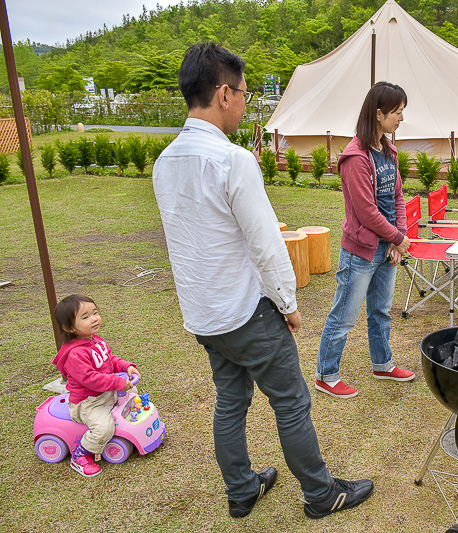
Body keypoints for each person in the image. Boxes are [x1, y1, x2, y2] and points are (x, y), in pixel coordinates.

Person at [152, 42, 373, 519]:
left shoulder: (165, 160)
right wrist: (288, 303)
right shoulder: (232, 159)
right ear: (225, 94)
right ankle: (320, 493)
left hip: (204, 314)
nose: (247, 104)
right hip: (245, 310)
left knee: (230, 400)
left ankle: (242, 489)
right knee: (291, 402)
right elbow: (266, 244)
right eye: (246, 94)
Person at [314, 81, 413, 399]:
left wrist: (398, 238)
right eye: (397, 112)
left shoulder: (388, 150)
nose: (400, 118)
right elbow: (367, 212)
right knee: (344, 315)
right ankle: (326, 374)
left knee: (381, 311)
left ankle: (382, 364)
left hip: (387, 248)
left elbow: (397, 194)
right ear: (379, 113)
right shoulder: (355, 157)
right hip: (361, 251)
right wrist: (397, 238)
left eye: (402, 112)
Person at [52, 294, 140, 477]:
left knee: (132, 389)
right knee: (103, 428)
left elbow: (109, 359)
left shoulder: (95, 340)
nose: (94, 319)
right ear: (68, 327)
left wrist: (126, 366)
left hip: (105, 393)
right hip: (89, 402)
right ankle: (81, 456)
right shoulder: (75, 354)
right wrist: (117, 382)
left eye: (95, 313)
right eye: (85, 317)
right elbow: (92, 379)